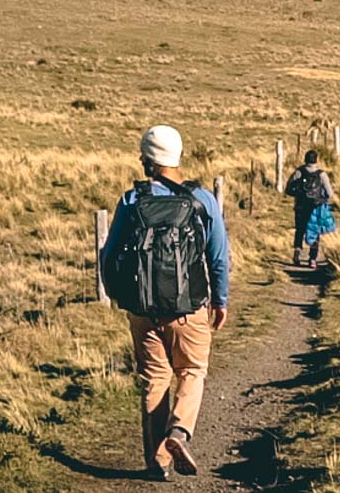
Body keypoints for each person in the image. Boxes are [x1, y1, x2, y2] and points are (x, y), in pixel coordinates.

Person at [99, 125, 230, 479]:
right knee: (191, 371)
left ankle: (157, 463)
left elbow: (109, 255)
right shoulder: (202, 199)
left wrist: (119, 296)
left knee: (155, 379)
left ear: (150, 159)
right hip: (188, 310)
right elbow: (218, 256)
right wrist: (220, 300)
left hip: (142, 310)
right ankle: (179, 432)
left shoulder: (132, 200)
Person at [285, 150, 334, 268]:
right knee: (315, 232)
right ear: (316, 160)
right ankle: (312, 259)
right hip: (316, 208)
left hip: (300, 207)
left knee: (300, 231)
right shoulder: (322, 175)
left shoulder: (298, 172)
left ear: (305, 159)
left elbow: (288, 189)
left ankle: (297, 253)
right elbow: (329, 193)